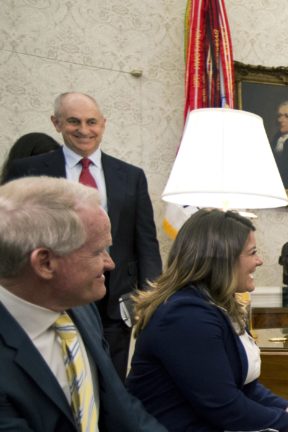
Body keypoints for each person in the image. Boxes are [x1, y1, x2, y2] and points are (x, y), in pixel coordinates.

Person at [2, 92, 162, 381]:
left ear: (103, 124)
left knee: (112, 383)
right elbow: (11, 238)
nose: (84, 130)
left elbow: (146, 243)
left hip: (115, 304)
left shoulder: (131, 175)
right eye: (74, 121)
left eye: (92, 122)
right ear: (57, 123)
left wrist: (151, 298)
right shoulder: (28, 170)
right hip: (54, 299)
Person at [125, 209, 288, 432]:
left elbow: (246, 389)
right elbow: (224, 406)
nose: (259, 261)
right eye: (252, 252)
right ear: (224, 259)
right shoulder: (185, 316)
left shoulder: (218, 304)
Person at [0, 177, 165, 431]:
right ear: (45, 263)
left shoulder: (80, 308)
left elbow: (121, 408)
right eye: (98, 251)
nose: (110, 264)